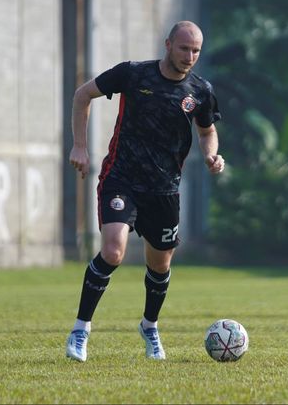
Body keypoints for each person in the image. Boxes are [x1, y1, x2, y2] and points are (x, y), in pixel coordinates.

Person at [65, 21, 224, 362]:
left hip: (165, 188)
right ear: (168, 44)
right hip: (121, 178)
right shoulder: (133, 75)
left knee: (160, 265)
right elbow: (82, 96)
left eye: (196, 51)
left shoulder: (200, 91)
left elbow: (207, 130)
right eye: (184, 48)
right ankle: (81, 329)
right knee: (113, 252)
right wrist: (79, 145)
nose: (190, 56)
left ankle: (150, 326)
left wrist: (211, 153)